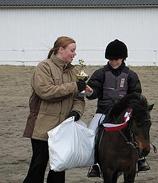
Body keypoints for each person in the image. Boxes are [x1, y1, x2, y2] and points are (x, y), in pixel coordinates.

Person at [23, 36, 86, 183]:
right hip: (41, 129)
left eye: (75, 50)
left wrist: (76, 112)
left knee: (58, 170)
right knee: (37, 169)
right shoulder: (44, 67)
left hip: (63, 129)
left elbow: (79, 98)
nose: (74, 54)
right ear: (60, 50)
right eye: (72, 50)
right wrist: (74, 86)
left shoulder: (73, 71)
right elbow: (45, 91)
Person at [86, 39, 150, 177]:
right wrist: (89, 91)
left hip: (125, 112)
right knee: (90, 133)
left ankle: (140, 159)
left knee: (139, 129)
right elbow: (93, 92)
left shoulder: (131, 75)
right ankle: (95, 164)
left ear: (123, 58)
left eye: (116, 59)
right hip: (103, 112)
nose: (113, 62)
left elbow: (136, 95)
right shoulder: (100, 73)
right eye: (111, 59)